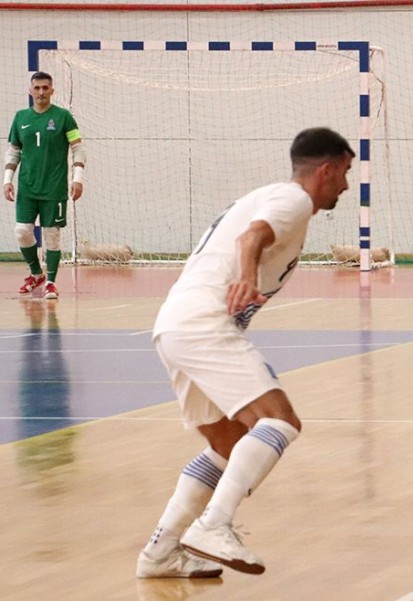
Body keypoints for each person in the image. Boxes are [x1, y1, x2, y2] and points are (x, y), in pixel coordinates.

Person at [136, 127, 355, 578]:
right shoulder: (293, 199)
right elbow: (251, 237)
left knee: (228, 444)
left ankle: (160, 553)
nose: (347, 185)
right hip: (203, 323)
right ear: (326, 170)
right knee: (279, 421)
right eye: (345, 172)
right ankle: (213, 525)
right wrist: (248, 276)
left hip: (176, 325)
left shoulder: (273, 199)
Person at [4, 71, 85, 300]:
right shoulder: (20, 117)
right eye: (37, 88)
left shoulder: (63, 117)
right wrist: (7, 180)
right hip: (27, 188)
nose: (41, 92)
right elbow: (14, 151)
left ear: (52, 90)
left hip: (54, 188)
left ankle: (50, 282)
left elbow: (78, 148)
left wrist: (78, 178)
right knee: (22, 232)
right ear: (30, 91)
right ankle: (36, 273)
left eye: (45, 88)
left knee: (51, 236)